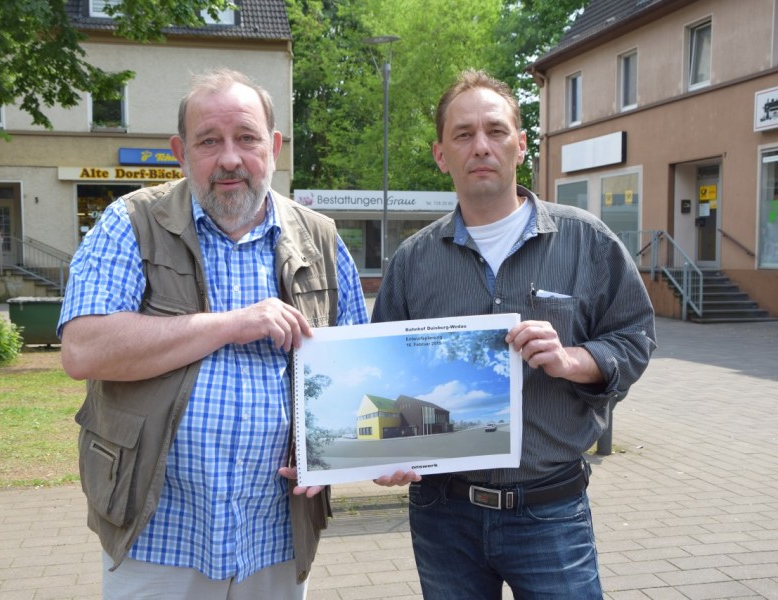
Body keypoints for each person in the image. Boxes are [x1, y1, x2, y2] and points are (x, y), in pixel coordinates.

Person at [58, 68, 369, 599]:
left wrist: (339, 452)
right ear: (182, 151)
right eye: (209, 141)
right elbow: (84, 348)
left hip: (276, 535)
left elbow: (354, 367)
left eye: (246, 138)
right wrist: (230, 325)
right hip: (157, 535)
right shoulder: (130, 222)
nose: (229, 158)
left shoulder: (320, 237)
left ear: (272, 147)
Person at [371, 69, 657, 598]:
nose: (481, 146)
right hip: (442, 515)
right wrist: (386, 453)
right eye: (463, 134)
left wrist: (574, 359)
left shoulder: (586, 240)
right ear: (441, 155)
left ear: (521, 145)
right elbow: (385, 371)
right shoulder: (414, 261)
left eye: (496, 131)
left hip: (550, 510)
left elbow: (635, 337)